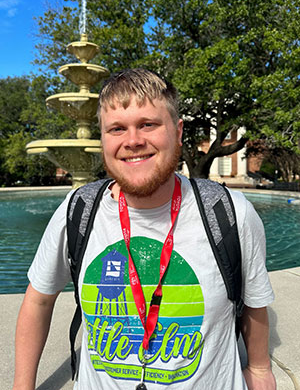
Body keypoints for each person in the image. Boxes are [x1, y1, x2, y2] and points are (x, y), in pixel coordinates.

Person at [13, 68, 276, 390]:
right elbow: (38, 300)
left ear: (177, 132)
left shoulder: (230, 212)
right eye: (117, 129)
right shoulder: (78, 210)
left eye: (148, 124)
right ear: (103, 140)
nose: (133, 141)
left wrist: (261, 369)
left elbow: (254, 301)